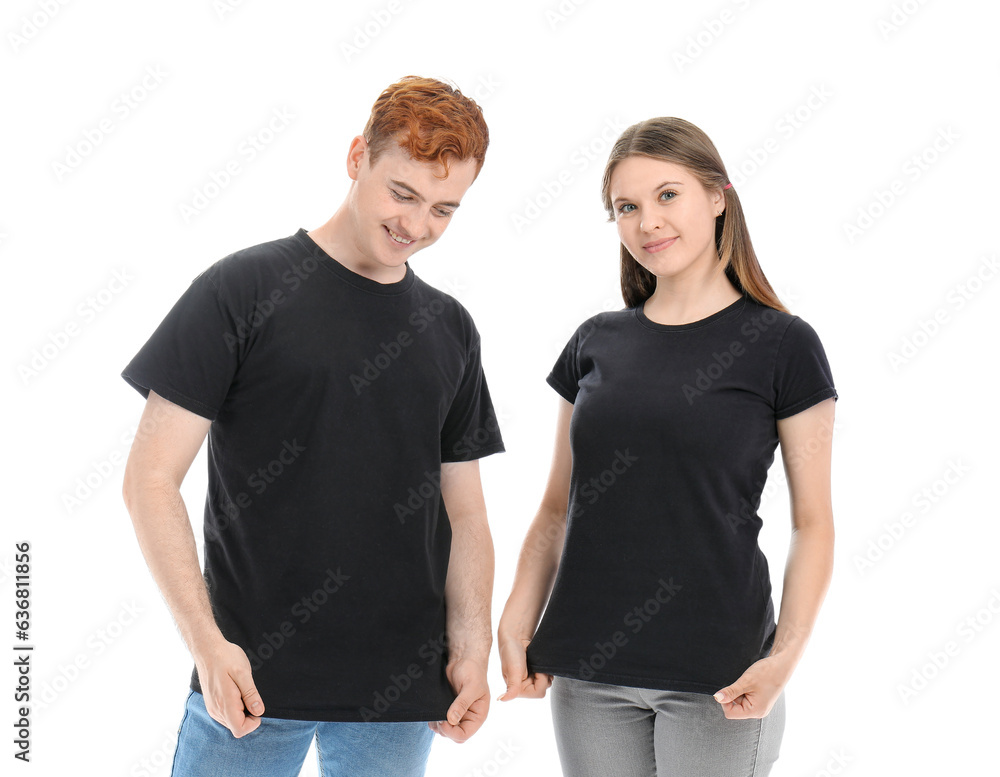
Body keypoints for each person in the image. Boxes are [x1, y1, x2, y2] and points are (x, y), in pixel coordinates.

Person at [120, 76, 504, 777]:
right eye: (403, 194)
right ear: (358, 155)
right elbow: (149, 477)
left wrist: (471, 646)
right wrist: (206, 642)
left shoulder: (450, 326)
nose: (417, 226)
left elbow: (467, 512)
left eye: (445, 209)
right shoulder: (242, 290)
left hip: (401, 695)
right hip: (249, 686)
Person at [497, 117, 838, 777]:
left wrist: (781, 660)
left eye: (667, 195)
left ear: (718, 195)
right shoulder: (594, 340)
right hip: (589, 672)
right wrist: (516, 619)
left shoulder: (784, 345)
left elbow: (814, 523)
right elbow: (556, 508)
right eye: (626, 206)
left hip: (721, 676)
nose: (646, 220)